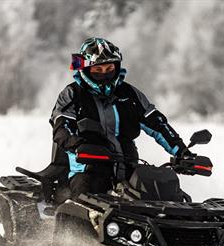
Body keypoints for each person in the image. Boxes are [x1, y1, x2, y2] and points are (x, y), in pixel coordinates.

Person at [50, 37, 191, 199]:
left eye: (109, 68)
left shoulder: (130, 94)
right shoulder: (72, 94)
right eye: (98, 70)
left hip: (130, 170)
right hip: (88, 170)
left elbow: (158, 125)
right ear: (86, 70)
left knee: (171, 197)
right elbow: (61, 128)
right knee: (84, 201)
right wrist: (78, 145)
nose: (104, 74)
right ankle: (69, 225)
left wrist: (182, 152)